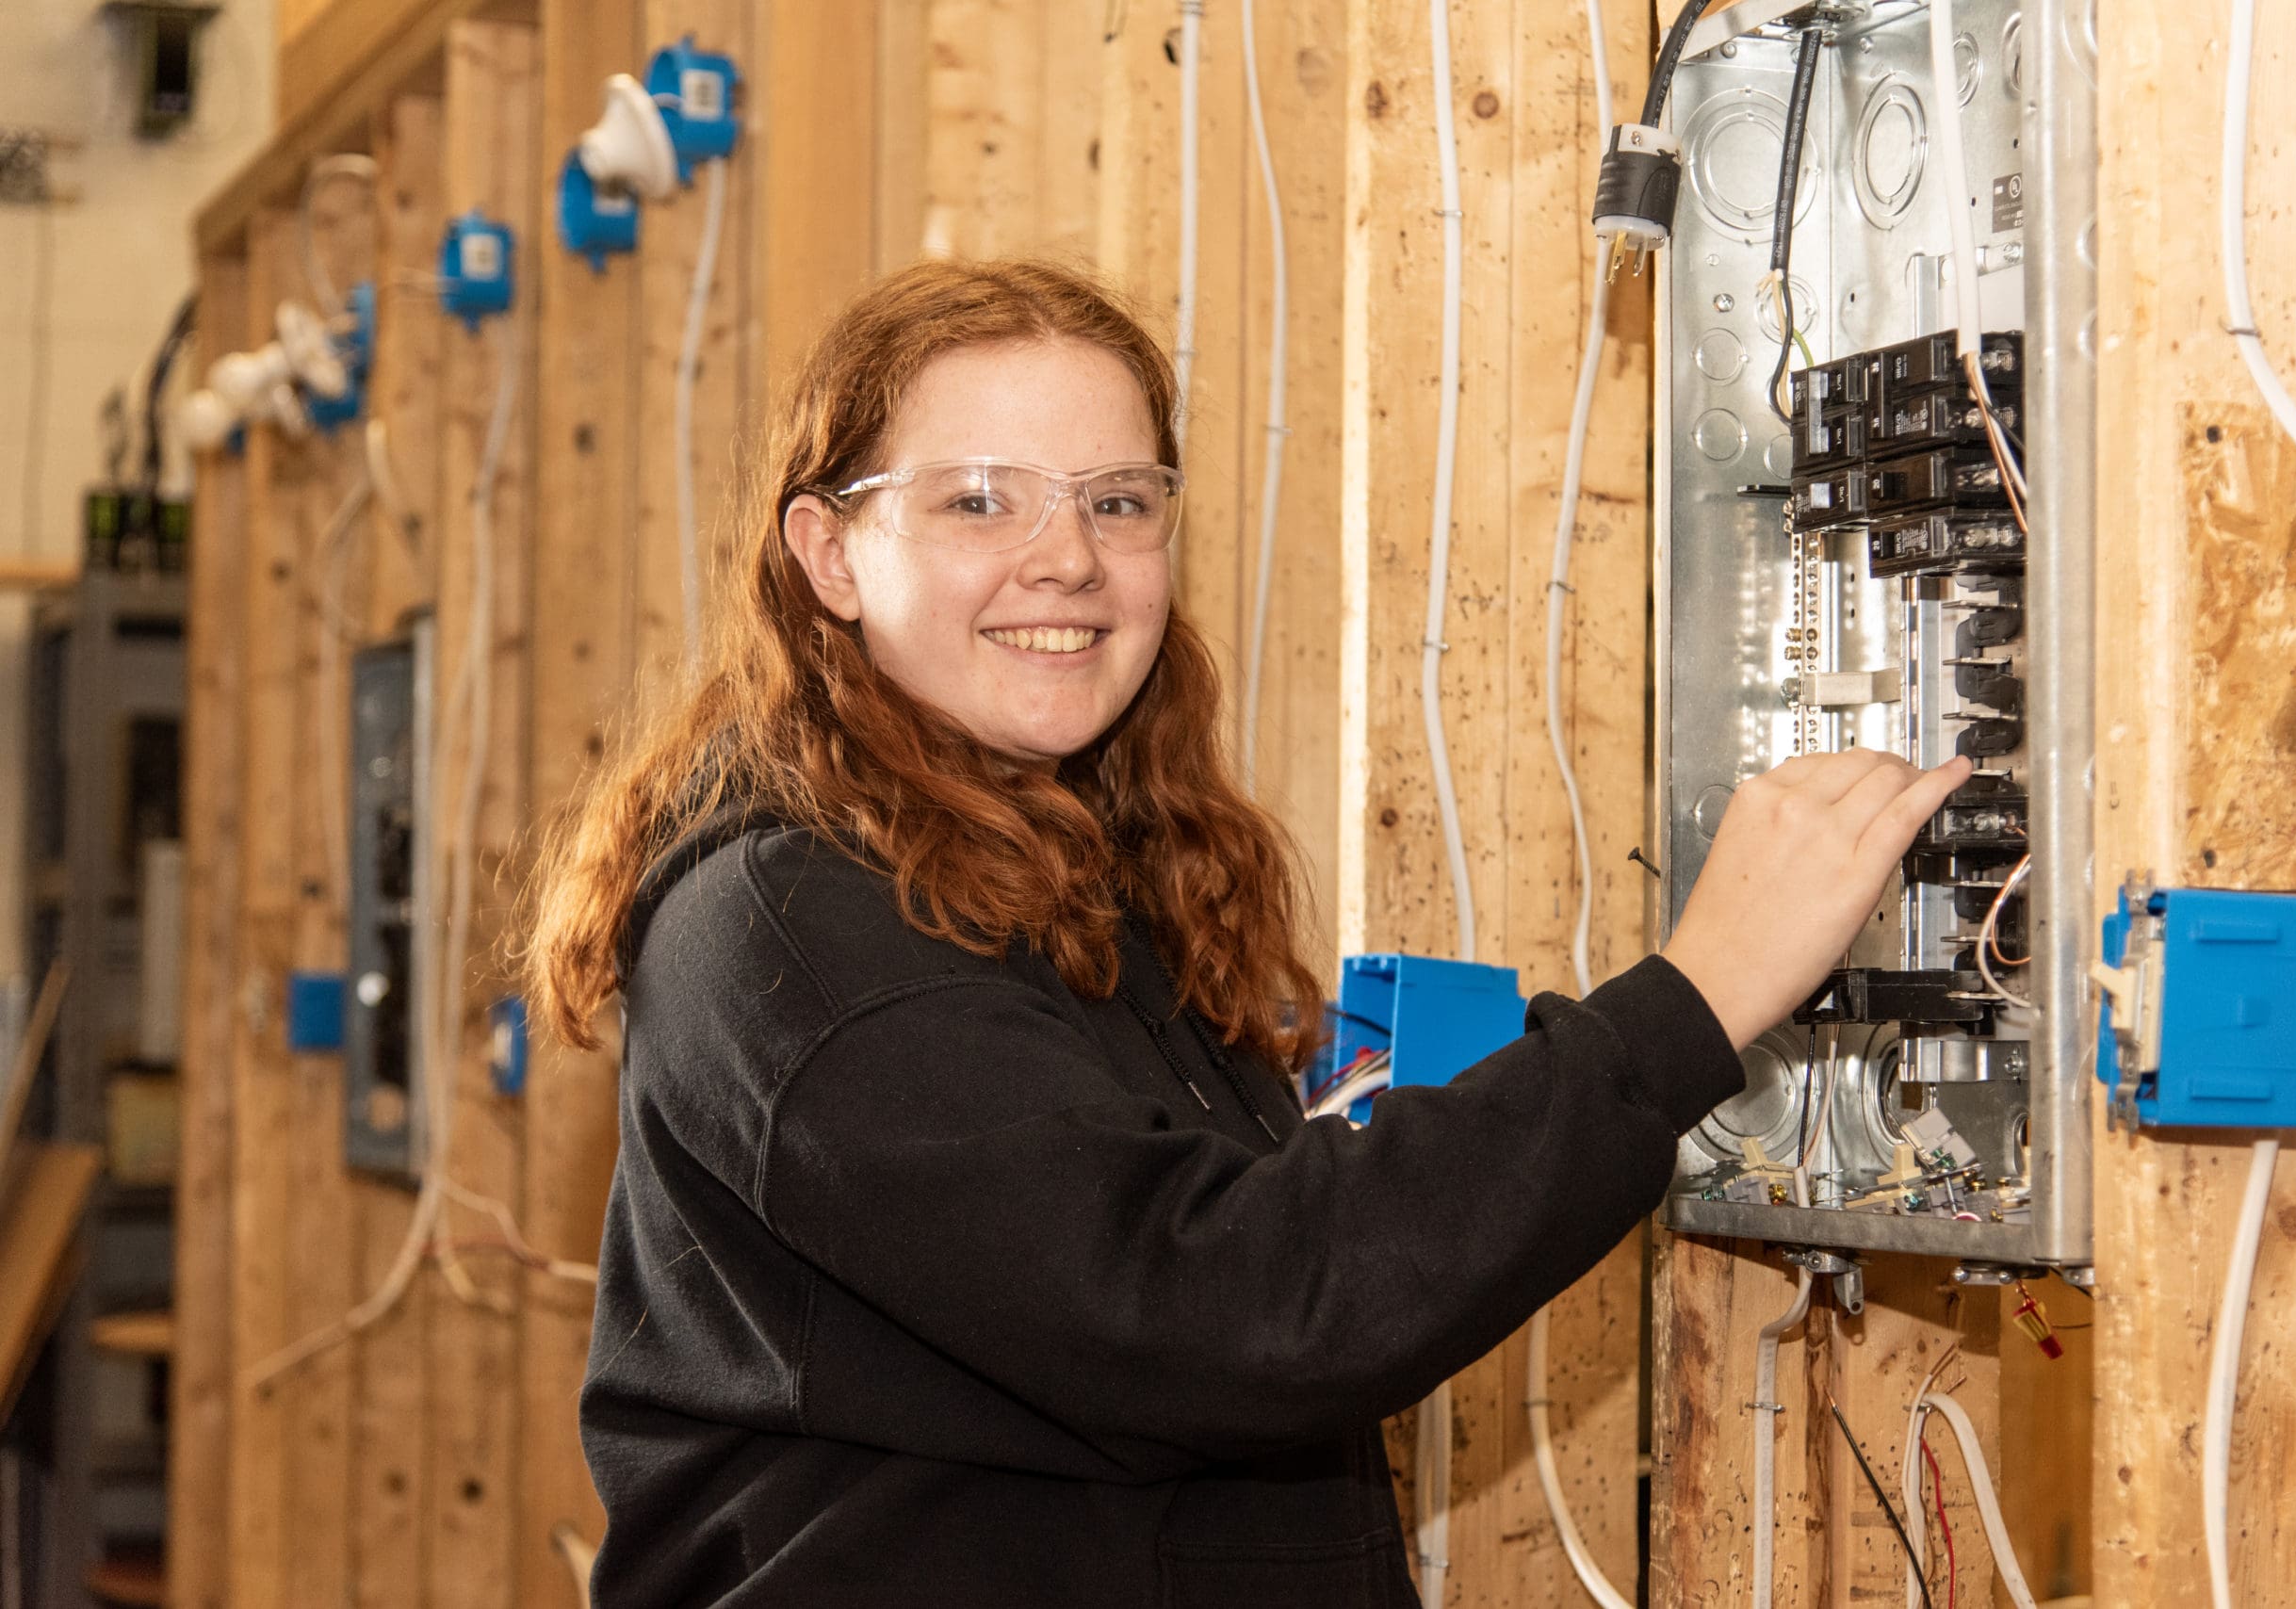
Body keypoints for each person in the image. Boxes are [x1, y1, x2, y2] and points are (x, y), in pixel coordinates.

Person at [523, 257, 1971, 1607]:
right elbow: (1221, 1311)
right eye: (979, 502)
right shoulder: (793, 924)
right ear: (830, 553)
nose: (1067, 561)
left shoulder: (1059, 863)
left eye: (1117, 501)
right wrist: (1696, 1000)